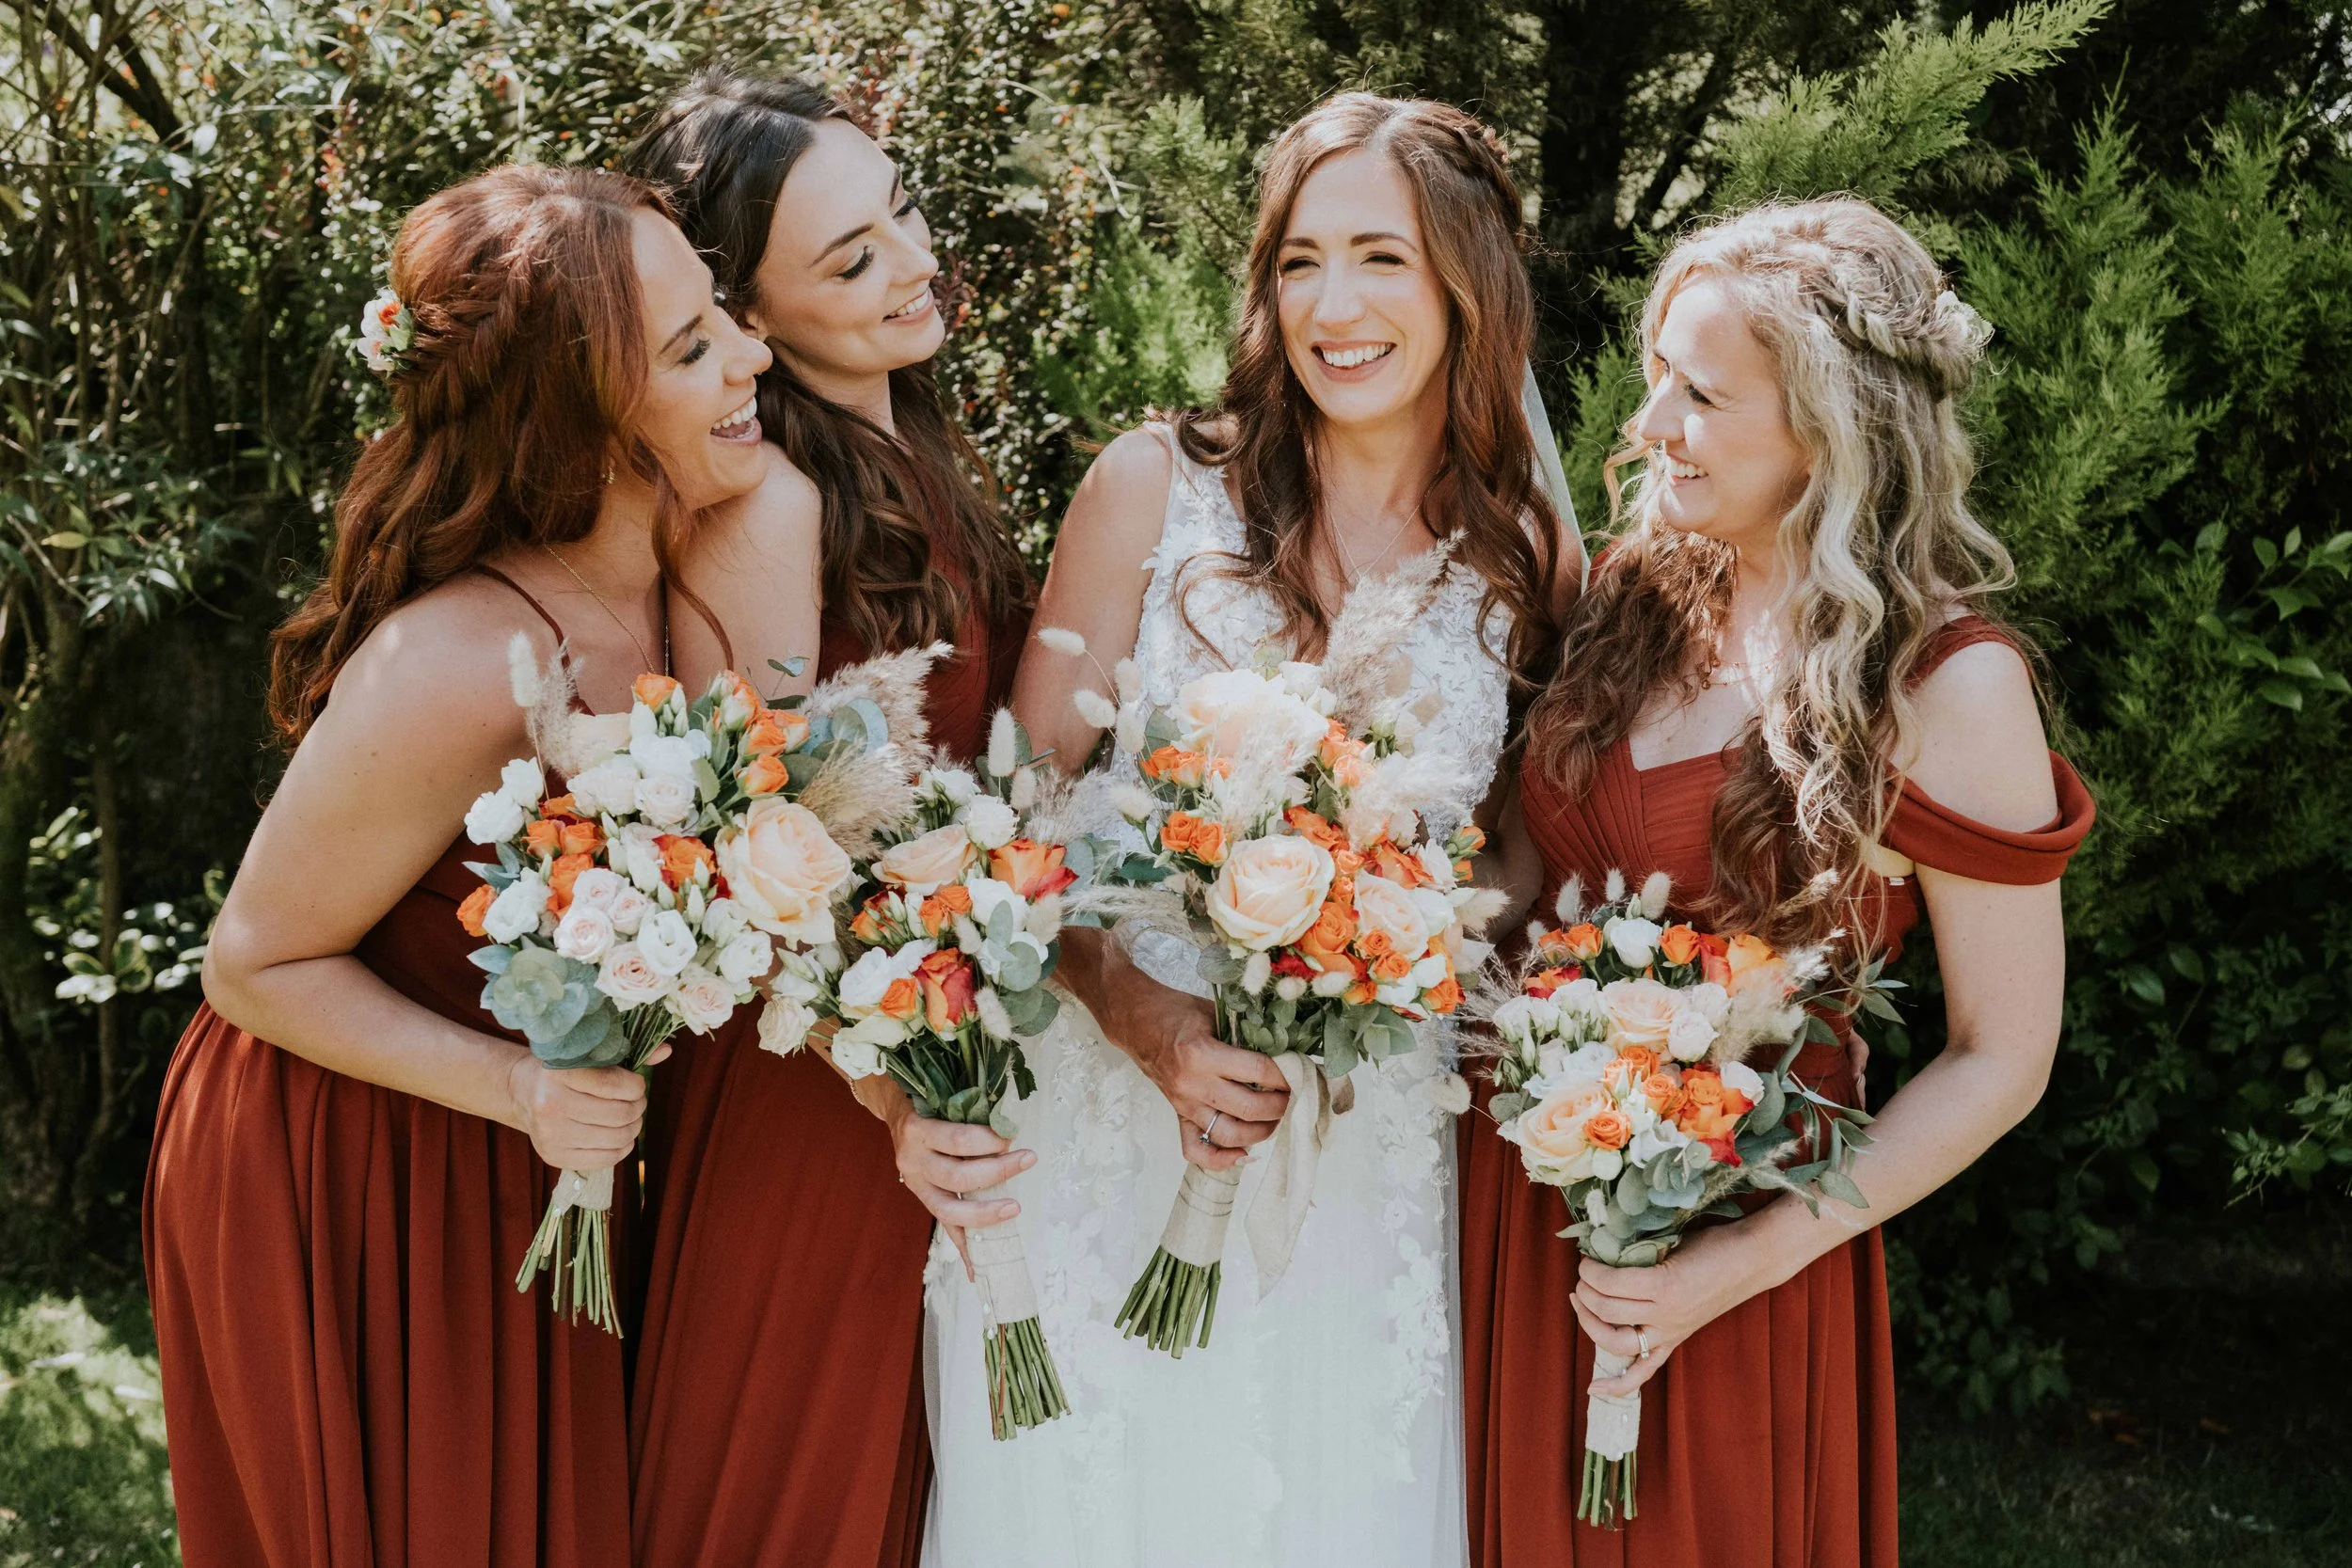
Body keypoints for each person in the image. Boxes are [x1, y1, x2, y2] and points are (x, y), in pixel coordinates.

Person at [924, 94, 1575, 1568]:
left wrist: (1406, 942)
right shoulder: (1154, 491)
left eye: (1381, 260)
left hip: (1362, 1143)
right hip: (1108, 1118)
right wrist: (1130, 1004)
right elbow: (1011, 818)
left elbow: (1519, 853)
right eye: (1299, 261)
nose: (1332, 309)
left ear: (1467, 279)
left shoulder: (1526, 547)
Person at [143, 165, 773, 1567]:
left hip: (535, 1140)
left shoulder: (708, 555)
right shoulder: (459, 659)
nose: (750, 353)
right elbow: (252, 959)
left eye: (718, 308)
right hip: (354, 1145)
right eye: (690, 349)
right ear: (580, 418)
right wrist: (521, 1088)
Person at [1460, 197, 2095, 1567]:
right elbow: (1529, 862)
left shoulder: (1948, 680)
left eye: (1700, 394)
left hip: (1738, 1240)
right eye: (1654, 381)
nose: (1651, 426)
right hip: (1517, 1203)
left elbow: (2007, 1055)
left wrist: (1719, 1275)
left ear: (1829, 424)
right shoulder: (1635, 589)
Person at [620, 71, 1034, 1568]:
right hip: (828, 1095)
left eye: (901, 214)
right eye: (850, 261)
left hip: (924, 1047)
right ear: (748, 316)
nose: (912, 262)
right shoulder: (772, 501)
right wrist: (901, 1100)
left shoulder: (908, 449)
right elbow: (761, 841)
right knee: (800, 1494)